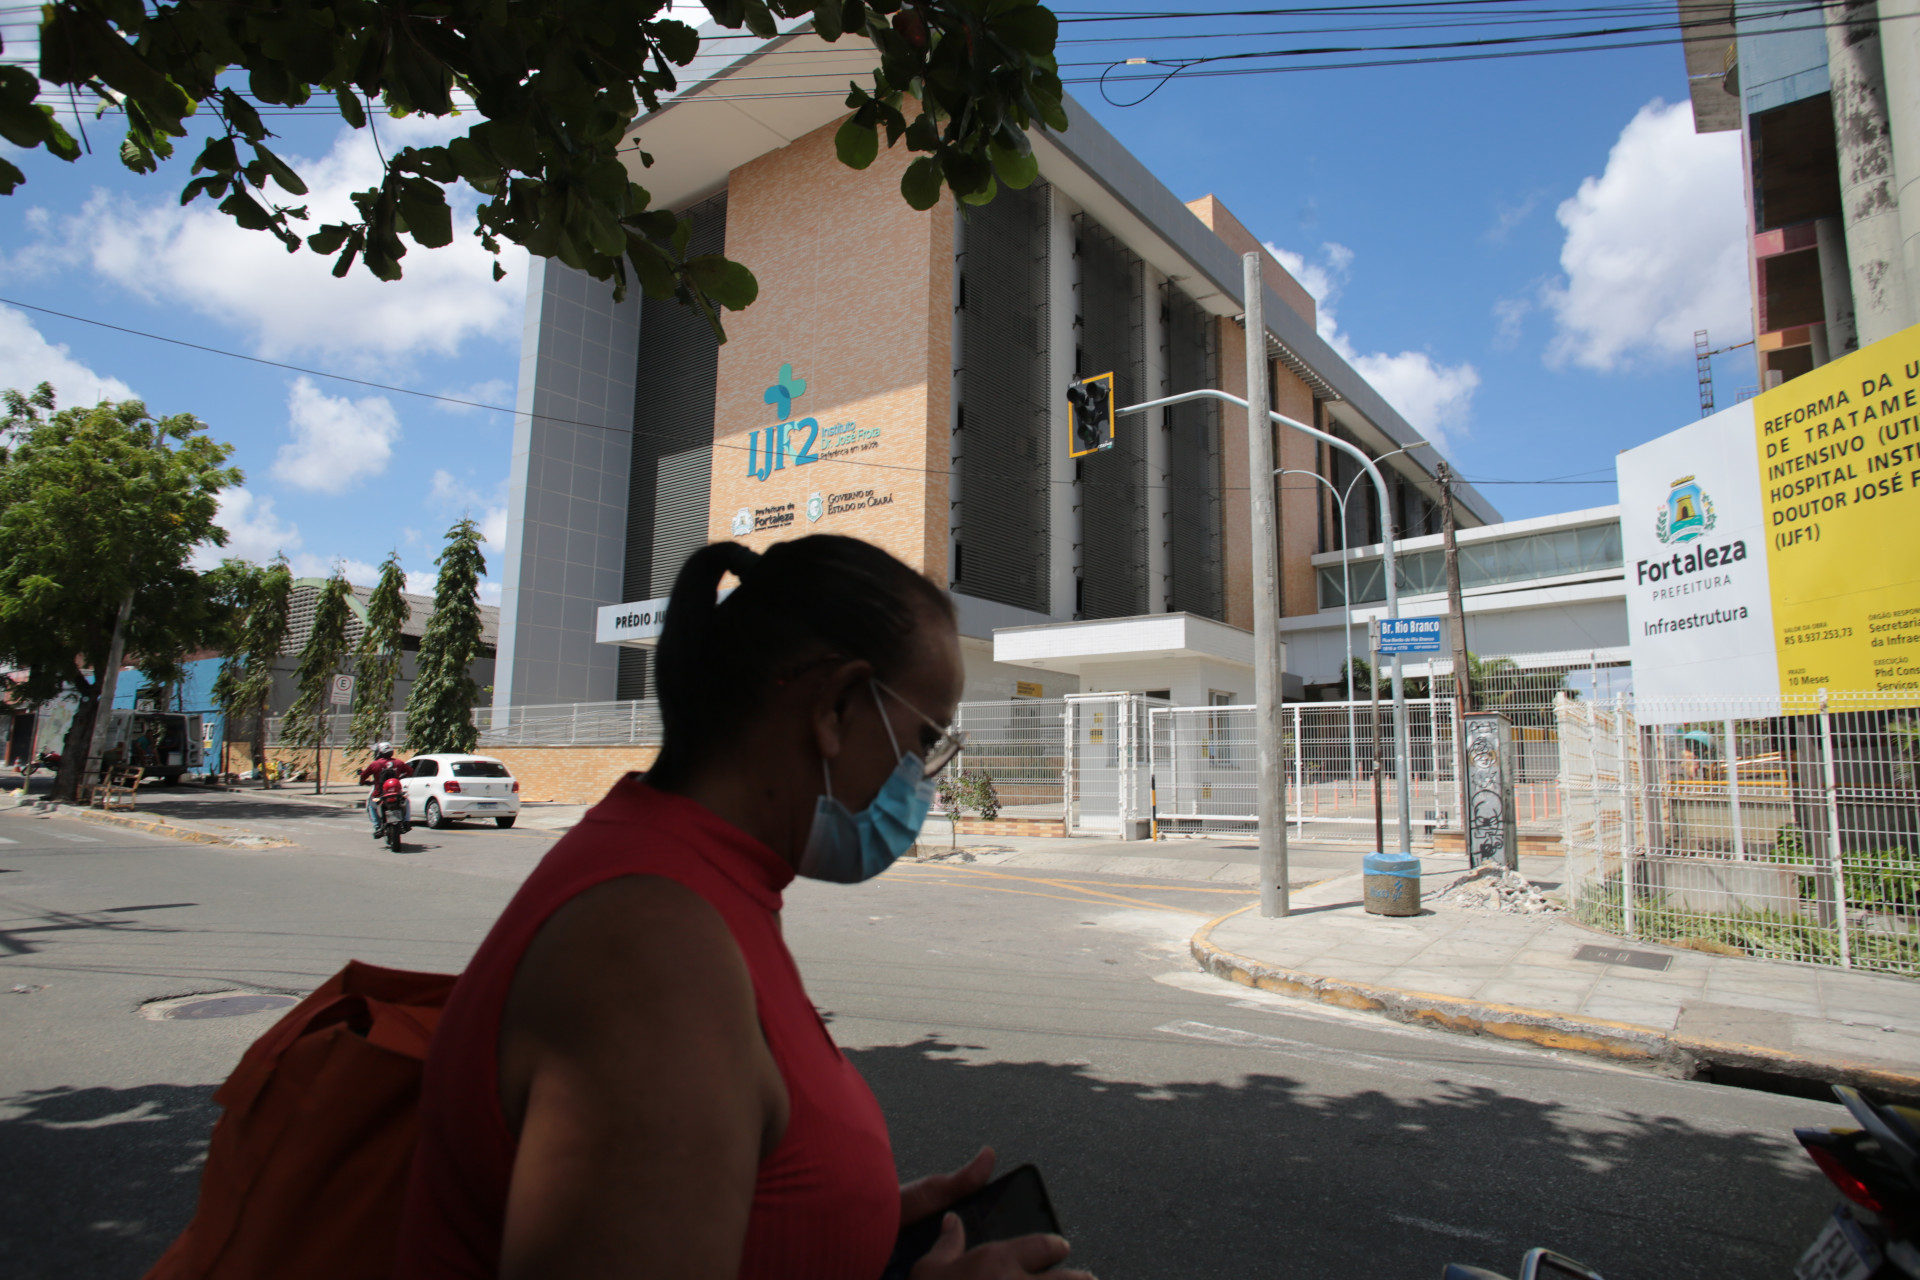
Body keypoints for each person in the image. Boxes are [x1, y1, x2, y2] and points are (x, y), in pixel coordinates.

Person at [396, 535, 1093, 1280]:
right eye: (923, 740)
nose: (923, 781)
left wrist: (844, 1228)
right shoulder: (648, 952)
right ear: (835, 706)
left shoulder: (702, 885)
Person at [358, 742, 412, 838]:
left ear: (380, 752)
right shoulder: (398, 763)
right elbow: (410, 771)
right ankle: (407, 821)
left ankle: (378, 826)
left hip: (379, 795)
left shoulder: (375, 764)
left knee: (371, 805)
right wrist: (403, 775)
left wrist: (362, 781)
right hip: (397, 795)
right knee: (406, 801)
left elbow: (363, 775)